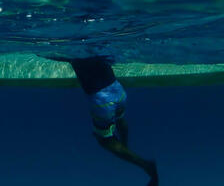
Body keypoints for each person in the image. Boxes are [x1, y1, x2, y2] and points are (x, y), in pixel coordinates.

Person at [47, 55, 159, 186]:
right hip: (118, 89)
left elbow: (61, 56)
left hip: (102, 100)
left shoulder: (75, 53)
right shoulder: (96, 49)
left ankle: (146, 165)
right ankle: (125, 146)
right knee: (120, 118)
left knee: (104, 140)